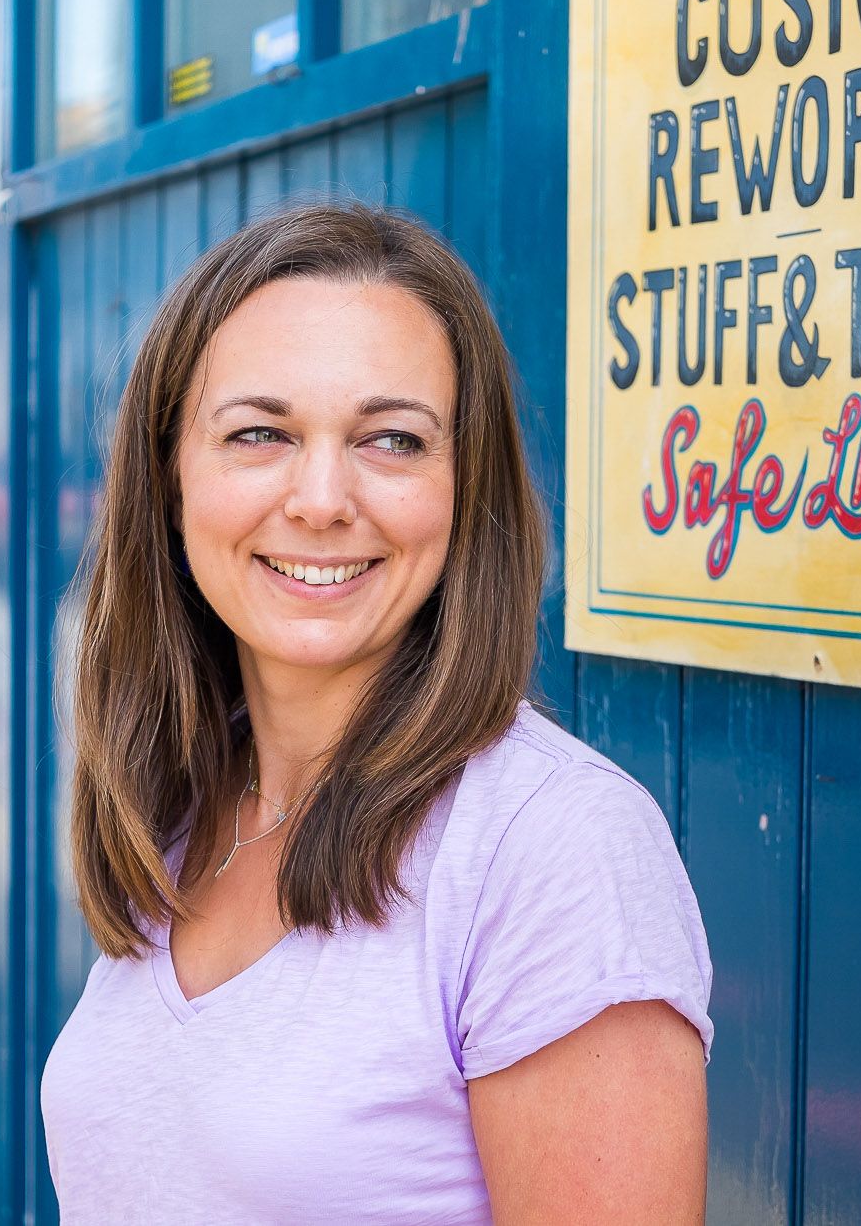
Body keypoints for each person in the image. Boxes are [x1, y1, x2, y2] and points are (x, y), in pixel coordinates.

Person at [40, 203, 712, 1223]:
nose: (320, 497)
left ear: (462, 486)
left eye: (391, 439)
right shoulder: (182, 802)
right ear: (169, 476)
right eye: (258, 432)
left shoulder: (552, 847)